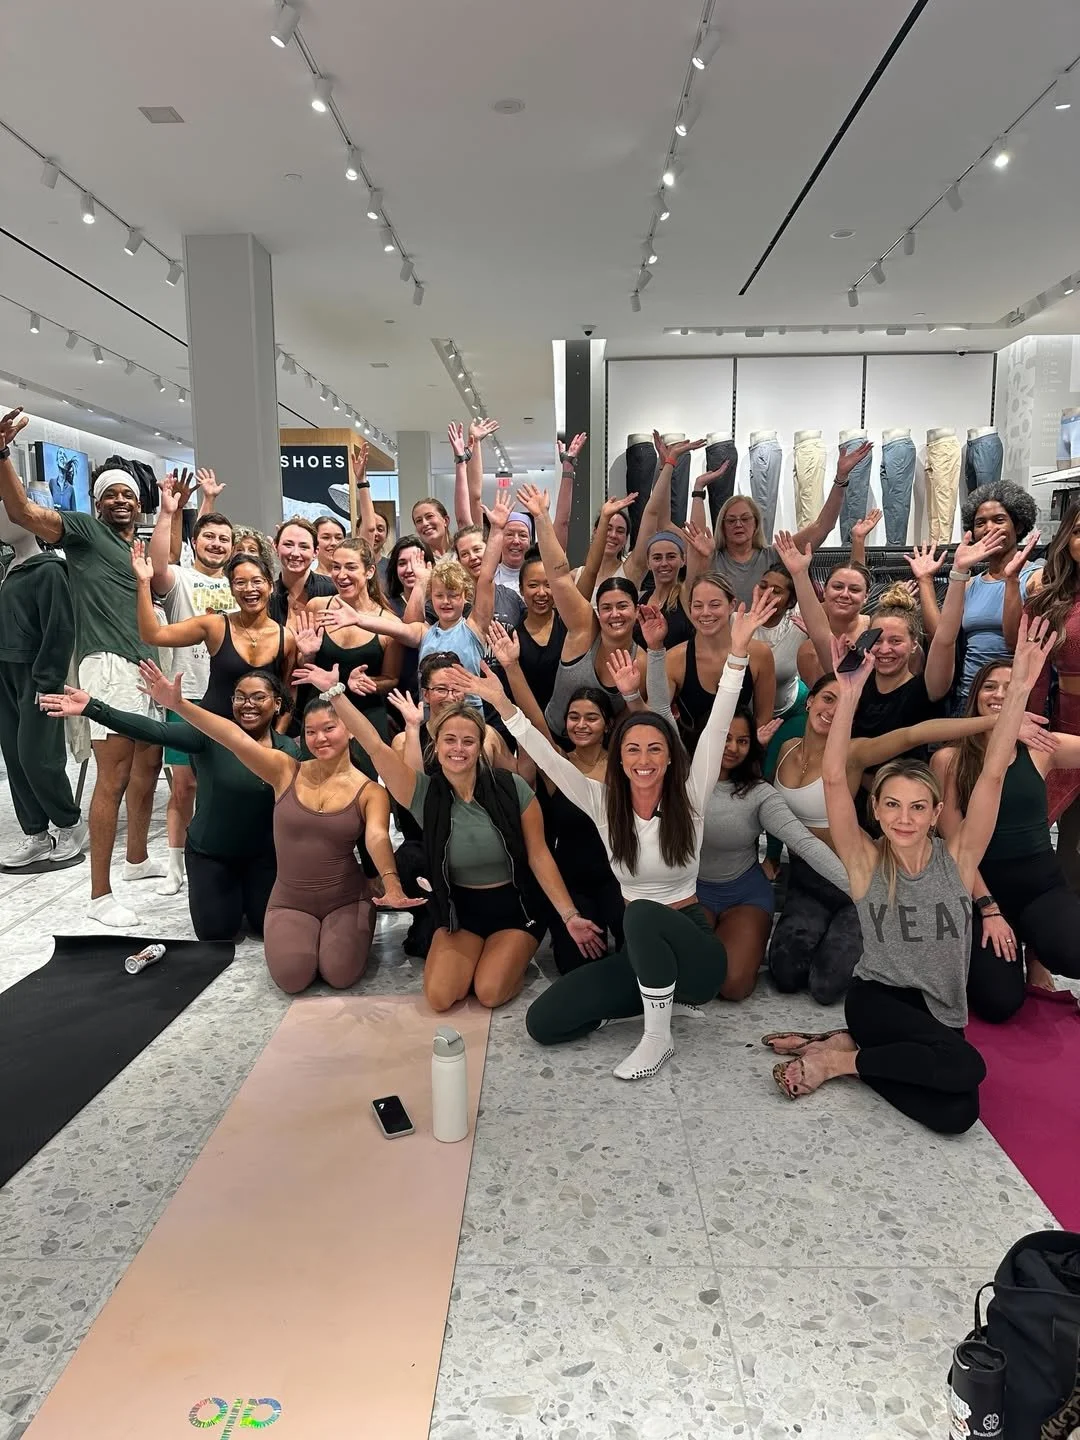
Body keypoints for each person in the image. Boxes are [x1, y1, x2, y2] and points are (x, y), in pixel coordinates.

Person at [467, 588, 781, 1080]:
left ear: (671, 757)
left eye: (655, 749)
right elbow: (549, 755)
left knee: (639, 915)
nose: (643, 760)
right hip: (644, 948)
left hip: (695, 950)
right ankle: (653, 997)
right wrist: (504, 705)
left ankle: (658, 1037)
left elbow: (720, 723)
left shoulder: (692, 795)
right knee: (543, 1022)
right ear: (619, 758)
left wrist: (738, 653)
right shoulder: (602, 801)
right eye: (632, 750)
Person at [766, 621, 1057, 1135]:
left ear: (936, 811)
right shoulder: (866, 862)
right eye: (893, 805)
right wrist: (850, 693)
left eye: (918, 807)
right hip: (880, 1000)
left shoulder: (959, 857)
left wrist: (1018, 692)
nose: (904, 818)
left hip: (940, 1013)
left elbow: (992, 774)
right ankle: (841, 1060)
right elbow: (834, 777)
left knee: (958, 1112)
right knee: (968, 1069)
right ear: (875, 811)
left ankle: (849, 1051)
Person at [302, 669, 603, 1010]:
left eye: (468, 741)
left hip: (515, 908)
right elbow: (373, 744)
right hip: (461, 911)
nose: (458, 749)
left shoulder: (511, 787)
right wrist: (335, 694)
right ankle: (481, 956)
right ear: (437, 744)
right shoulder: (423, 793)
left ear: (479, 746)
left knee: (489, 993)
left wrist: (568, 915)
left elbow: (539, 855)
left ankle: (507, 958)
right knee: (441, 998)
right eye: (449, 740)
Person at [145, 661, 417, 991]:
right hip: (291, 900)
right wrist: (179, 705)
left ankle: (343, 933)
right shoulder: (285, 771)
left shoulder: (370, 790)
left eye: (329, 729)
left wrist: (391, 883)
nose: (319, 738)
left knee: (340, 974)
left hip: (346, 899)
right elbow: (232, 738)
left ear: (348, 730)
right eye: (311, 732)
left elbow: (376, 836)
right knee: (292, 978)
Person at [766, 666, 1031, 1004]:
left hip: (854, 880)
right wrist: (771, 855)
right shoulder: (787, 745)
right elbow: (768, 805)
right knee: (786, 974)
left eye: (843, 702)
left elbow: (914, 734)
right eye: (827, 699)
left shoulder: (853, 753)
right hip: (806, 879)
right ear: (809, 700)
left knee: (825, 987)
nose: (831, 710)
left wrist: (995, 722)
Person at [0, 409, 161, 926]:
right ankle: (100, 895)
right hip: (108, 669)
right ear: (96, 502)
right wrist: (3, 454)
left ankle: (136, 861)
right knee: (111, 777)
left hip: (145, 668)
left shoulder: (133, 548)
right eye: (111, 493)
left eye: (129, 494)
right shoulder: (85, 532)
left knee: (145, 769)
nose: (121, 500)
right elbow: (23, 512)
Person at [42, 669, 297, 943]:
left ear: (278, 703)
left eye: (259, 697)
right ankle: (233, 895)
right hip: (212, 855)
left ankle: (248, 895)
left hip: (264, 858)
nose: (248, 704)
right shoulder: (208, 736)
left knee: (264, 927)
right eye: (240, 697)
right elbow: (155, 730)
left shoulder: (289, 750)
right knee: (217, 934)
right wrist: (93, 708)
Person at [932, 660, 1080, 1019]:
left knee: (1073, 953)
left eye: (1009, 687)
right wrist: (989, 909)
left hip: (1040, 886)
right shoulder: (948, 760)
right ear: (975, 695)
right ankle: (1016, 942)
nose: (999, 694)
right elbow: (956, 848)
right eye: (989, 686)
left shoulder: (1041, 747)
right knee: (998, 1004)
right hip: (982, 891)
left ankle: (1037, 952)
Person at [779, 528, 1004, 761]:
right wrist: (799, 575)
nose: (885, 649)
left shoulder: (928, 687)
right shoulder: (852, 682)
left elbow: (945, 639)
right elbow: (819, 632)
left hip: (903, 792)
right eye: (878, 640)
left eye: (896, 641)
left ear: (914, 644)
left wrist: (958, 573)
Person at [488, 621, 625, 972]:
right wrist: (512, 667)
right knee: (578, 966)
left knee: (636, 959)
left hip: (621, 877)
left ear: (608, 724)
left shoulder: (626, 766)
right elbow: (532, 721)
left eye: (591, 718)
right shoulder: (558, 768)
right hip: (572, 879)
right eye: (574, 717)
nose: (581, 724)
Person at [147, 474, 235, 895]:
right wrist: (168, 511)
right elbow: (160, 567)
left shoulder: (237, 584)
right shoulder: (179, 578)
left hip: (224, 697)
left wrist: (209, 502)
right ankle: (174, 861)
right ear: (195, 542)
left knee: (220, 781)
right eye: (209, 538)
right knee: (183, 784)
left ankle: (214, 851)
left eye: (225, 539)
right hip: (185, 695)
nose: (217, 544)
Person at [0, 488, 87, 867]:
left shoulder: (51, 569)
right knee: (15, 756)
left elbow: (60, 629)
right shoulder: (8, 568)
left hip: (35, 673)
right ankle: (35, 832)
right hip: (5, 672)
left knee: (39, 756)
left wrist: (48, 681)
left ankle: (69, 823)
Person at [688, 439, 872, 607]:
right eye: (731, 520)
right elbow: (695, 538)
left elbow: (822, 526)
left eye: (745, 519)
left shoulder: (776, 555)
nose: (738, 524)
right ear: (722, 525)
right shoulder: (712, 557)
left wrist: (841, 479)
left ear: (756, 523)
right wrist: (698, 490)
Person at [132, 548, 295, 718]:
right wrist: (144, 582)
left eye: (257, 581)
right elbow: (152, 635)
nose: (249, 589)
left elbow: (288, 696)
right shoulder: (216, 626)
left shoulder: (286, 639)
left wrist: (277, 736)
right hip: (211, 730)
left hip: (258, 739)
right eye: (240, 582)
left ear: (270, 586)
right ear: (231, 590)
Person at [1013, 501, 1080, 889]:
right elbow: (1032, 678)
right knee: (1069, 843)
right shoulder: (1047, 599)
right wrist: (1026, 730)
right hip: (1068, 727)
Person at [291, 536, 401, 754]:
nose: (341, 575)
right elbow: (303, 666)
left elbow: (391, 678)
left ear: (369, 572)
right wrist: (308, 655)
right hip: (321, 716)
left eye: (350, 567)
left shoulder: (388, 623)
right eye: (335, 567)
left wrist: (367, 682)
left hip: (366, 716)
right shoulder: (317, 607)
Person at [645, 574, 775, 746]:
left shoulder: (760, 654)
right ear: (690, 609)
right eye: (698, 606)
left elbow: (763, 722)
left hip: (740, 755)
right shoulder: (675, 660)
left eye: (714, 605)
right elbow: (656, 715)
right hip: (690, 755)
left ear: (731, 606)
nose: (705, 613)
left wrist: (751, 754)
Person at [795, 561, 871, 687]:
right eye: (838, 587)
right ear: (824, 591)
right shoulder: (808, 650)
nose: (845, 594)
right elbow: (822, 694)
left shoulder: (878, 631)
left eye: (854, 589)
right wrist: (821, 643)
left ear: (866, 596)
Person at [513, 549, 567, 716]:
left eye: (548, 584)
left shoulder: (568, 626)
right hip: (529, 728)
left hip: (570, 727)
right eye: (533, 585)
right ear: (521, 589)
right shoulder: (513, 638)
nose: (542, 593)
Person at [383, 533, 435, 698]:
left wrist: (422, 583)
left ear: (430, 566)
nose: (410, 569)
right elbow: (410, 629)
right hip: (398, 693)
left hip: (436, 691)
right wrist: (420, 584)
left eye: (417, 562)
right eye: (402, 563)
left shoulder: (443, 603)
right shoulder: (387, 604)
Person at [268, 517, 336, 626]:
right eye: (288, 545)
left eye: (304, 546)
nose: (295, 553)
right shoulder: (267, 595)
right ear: (276, 547)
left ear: (315, 552)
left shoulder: (333, 589)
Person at [311, 514, 347, 579]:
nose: (333, 543)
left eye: (338, 538)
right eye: (326, 537)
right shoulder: (308, 581)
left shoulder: (353, 578)